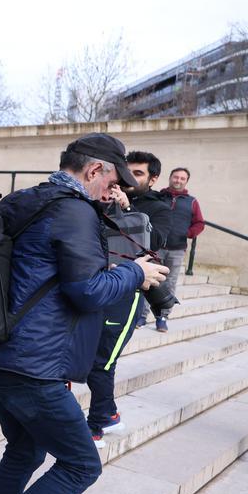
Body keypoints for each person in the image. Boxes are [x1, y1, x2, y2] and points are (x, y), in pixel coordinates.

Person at [0, 134, 168, 494]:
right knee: (82, 463)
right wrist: (136, 273)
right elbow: (88, 290)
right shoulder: (73, 210)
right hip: (33, 363)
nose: (113, 190)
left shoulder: (33, 199)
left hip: (3, 352)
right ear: (95, 170)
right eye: (112, 180)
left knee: (25, 449)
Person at [86, 150, 172, 447]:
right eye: (128, 172)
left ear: (153, 178)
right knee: (97, 358)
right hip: (103, 284)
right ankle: (108, 415)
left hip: (130, 291)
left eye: (138, 174)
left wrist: (128, 209)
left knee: (102, 361)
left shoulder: (159, 207)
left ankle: (97, 423)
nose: (130, 179)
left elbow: (157, 241)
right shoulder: (105, 196)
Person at [157, 166, 205, 331]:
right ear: (170, 178)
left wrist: (188, 233)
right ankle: (141, 317)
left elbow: (200, 223)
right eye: (175, 177)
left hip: (177, 249)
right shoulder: (158, 196)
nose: (178, 180)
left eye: (182, 178)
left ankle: (162, 317)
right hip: (155, 247)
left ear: (186, 182)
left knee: (169, 283)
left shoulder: (192, 202)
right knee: (148, 282)